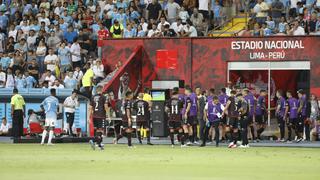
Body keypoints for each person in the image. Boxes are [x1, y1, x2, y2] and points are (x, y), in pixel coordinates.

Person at [89, 86, 111, 150]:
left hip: (94, 116)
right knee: (101, 130)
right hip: (101, 116)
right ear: (102, 90)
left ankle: (99, 145)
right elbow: (106, 107)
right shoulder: (103, 97)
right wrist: (108, 116)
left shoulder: (93, 97)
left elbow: (90, 108)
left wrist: (89, 117)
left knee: (97, 130)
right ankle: (94, 141)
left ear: (96, 90)